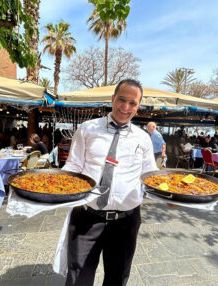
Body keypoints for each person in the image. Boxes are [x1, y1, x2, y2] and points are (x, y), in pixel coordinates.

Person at [62, 79, 158, 286]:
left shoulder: (143, 138)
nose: (126, 107)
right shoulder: (87, 129)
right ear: (112, 99)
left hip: (126, 220)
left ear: (138, 106)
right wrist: (55, 190)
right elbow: (73, 166)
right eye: (121, 100)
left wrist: (170, 193)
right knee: (79, 277)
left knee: (118, 277)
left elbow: (151, 175)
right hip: (87, 216)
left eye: (133, 103)